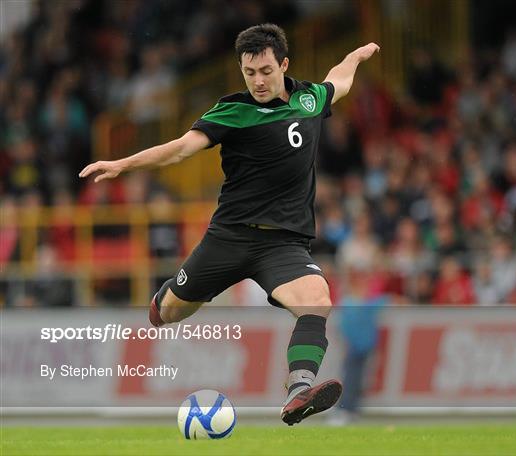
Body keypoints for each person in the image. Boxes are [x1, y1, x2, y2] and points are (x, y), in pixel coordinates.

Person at [80, 23, 380, 425]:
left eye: (266, 71)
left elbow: (338, 80)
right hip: (229, 239)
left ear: (283, 64)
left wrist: (355, 57)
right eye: (249, 72)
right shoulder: (232, 112)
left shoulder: (310, 100)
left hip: (283, 246)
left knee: (317, 300)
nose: (258, 81)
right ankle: (166, 295)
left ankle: (297, 391)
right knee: (169, 313)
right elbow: (180, 150)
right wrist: (122, 163)